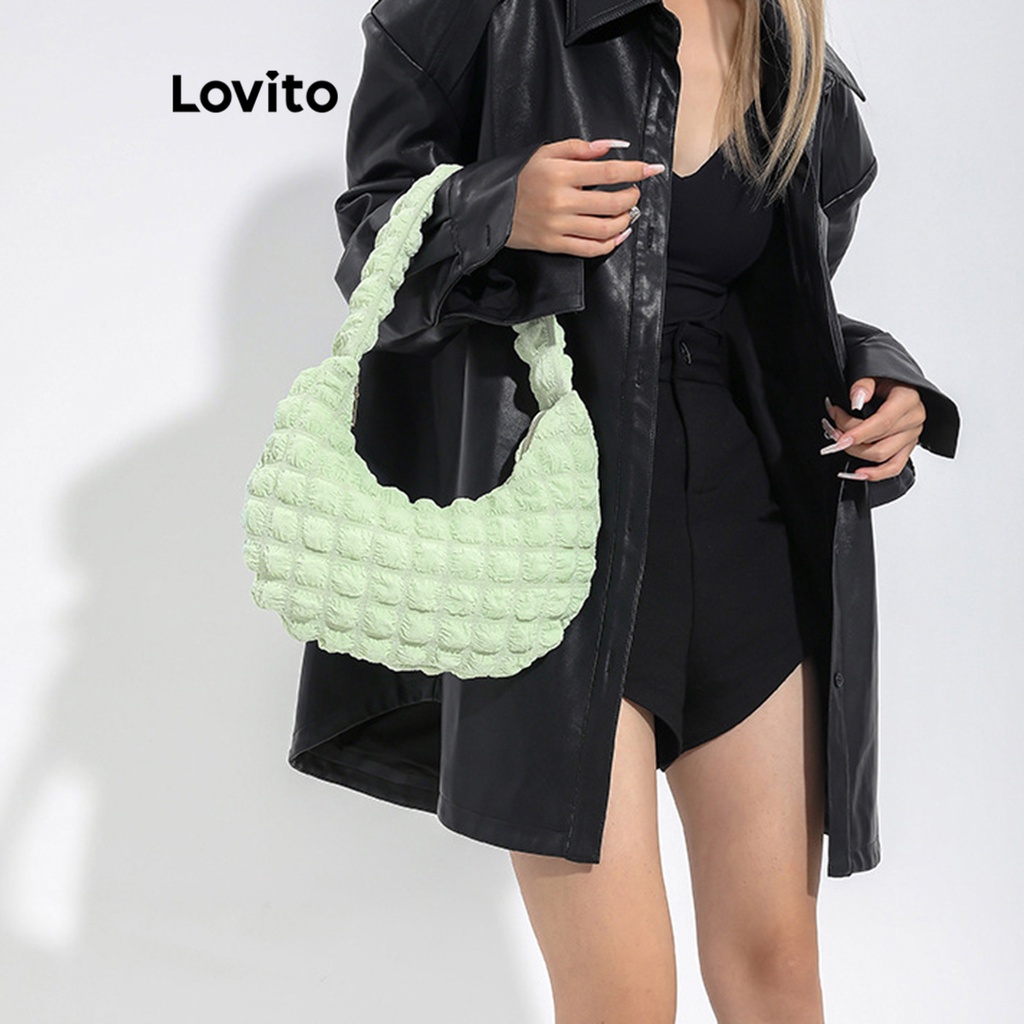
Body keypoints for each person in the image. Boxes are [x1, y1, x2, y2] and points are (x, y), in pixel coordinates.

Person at [288, 0, 960, 1020]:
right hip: (555, 545)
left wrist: (880, 378)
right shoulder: (484, 14)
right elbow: (369, 240)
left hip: (748, 541)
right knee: (622, 997)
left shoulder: (801, 74)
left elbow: (779, 315)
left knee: (778, 977)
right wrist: (496, 206)